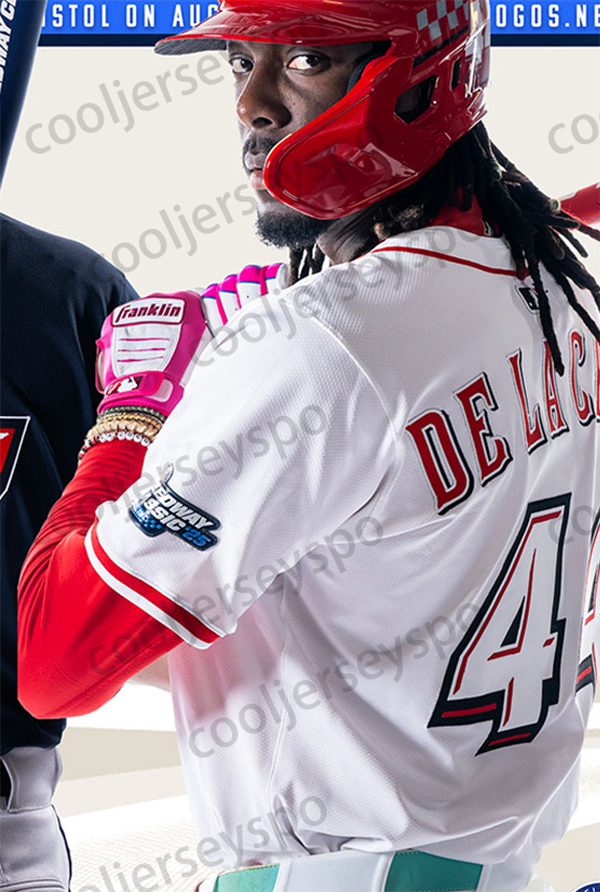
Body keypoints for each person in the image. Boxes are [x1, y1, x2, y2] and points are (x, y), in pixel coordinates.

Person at [17, 2, 600, 891]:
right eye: (239, 62)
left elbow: (52, 663)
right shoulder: (563, 286)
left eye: (304, 61)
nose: (250, 104)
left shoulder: (321, 346)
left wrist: (135, 412)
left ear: (420, 81)